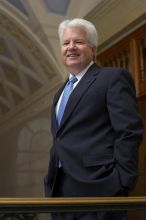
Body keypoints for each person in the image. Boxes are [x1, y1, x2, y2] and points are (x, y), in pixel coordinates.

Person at [44, 18, 144, 220]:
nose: (71, 47)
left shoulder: (112, 78)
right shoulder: (59, 94)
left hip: (100, 187)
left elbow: (129, 131)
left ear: (92, 48)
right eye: (66, 43)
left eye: (78, 42)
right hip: (60, 190)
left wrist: (121, 180)